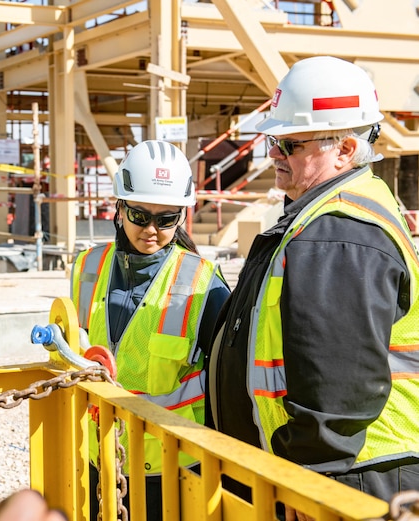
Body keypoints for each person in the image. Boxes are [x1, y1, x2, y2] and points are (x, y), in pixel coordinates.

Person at [207, 55, 419, 518]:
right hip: (347, 468)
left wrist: (312, 475)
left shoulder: (339, 233)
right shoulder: (324, 216)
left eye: (289, 144)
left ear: (344, 149)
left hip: (352, 476)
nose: (273, 156)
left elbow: (339, 385)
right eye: (273, 141)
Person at [69, 140, 230, 521]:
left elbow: (226, 383)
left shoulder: (204, 285)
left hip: (172, 466)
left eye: (167, 219)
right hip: (100, 455)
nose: (152, 230)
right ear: (120, 208)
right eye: (140, 216)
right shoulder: (87, 267)